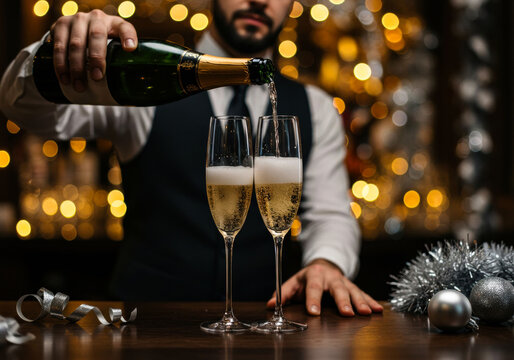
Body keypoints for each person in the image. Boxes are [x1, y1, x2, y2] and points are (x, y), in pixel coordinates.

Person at [0, 0, 382, 317]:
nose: (259, 1)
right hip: (145, 329)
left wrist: (326, 263)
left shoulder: (315, 108)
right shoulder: (147, 81)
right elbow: (28, 110)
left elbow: (331, 213)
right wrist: (52, 53)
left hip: (262, 330)